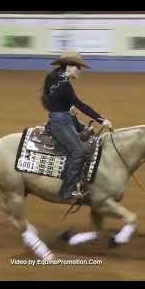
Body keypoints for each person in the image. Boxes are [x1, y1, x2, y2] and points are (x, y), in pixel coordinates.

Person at [41, 51, 112, 201]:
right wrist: (101, 120)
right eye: (78, 68)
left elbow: (48, 95)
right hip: (60, 122)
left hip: (63, 116)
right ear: (69, 67)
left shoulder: (53, 77)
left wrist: (64, 106)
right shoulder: (65, 85)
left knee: (87, 134)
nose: (80, 71)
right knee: (78, 151)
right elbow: (81, 104)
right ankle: (68, 191)